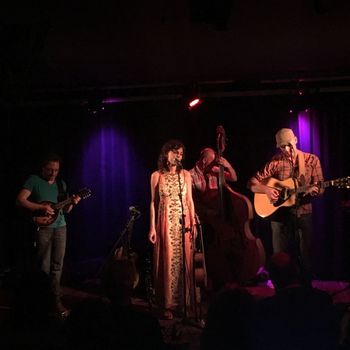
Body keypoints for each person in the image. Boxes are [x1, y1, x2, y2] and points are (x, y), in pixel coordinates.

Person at [247, 127, 324, 285]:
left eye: (289, 144)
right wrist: (266, 190)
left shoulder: (311, 160)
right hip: (280, 217)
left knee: (305, 256)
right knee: (280, 258)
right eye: (283, 147)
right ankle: (281, 292)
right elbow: (251, 183)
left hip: (303, 213)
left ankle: (306, 292)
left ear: (295, 140)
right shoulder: (275, 162)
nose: (287, 149)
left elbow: (321, 189)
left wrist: (314, 190)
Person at [16, 152, 81, 317]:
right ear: (43, 168)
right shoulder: (34, 180)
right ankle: (41, 301)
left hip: (61, 227)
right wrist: (41, 208)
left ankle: (56, 301)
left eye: (56, 170)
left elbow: (66, 210)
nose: (53, 173)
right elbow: (20, 200)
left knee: (57, 265)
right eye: (50, 170)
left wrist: (72, 203)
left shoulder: (61, 184)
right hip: (43, 228)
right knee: (43, 266)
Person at [148, 139, 196, 320]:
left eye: (181, 154)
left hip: (183, 223)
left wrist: (193, 221)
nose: (179, 156)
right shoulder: (156, 176)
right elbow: (153, 202)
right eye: (176, 152)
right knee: (167, 261)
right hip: (165, 222)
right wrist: (152, 227)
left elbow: (190, 200)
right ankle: (166, 304)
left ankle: (183, 303)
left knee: (184, 260)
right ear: (166, 153)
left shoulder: (185, 175)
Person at [189, 147, 242, 290]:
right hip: (205, 220)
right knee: (211, 250)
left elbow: (234, 177)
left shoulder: (215, 171)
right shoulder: (190, 175)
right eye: (213, 162)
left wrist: (228, 165)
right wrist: (207, 211)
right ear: (204, 160)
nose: (215, 166)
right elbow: (192, 201)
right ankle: (212, 280)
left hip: (220, 218)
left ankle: (229, 277)